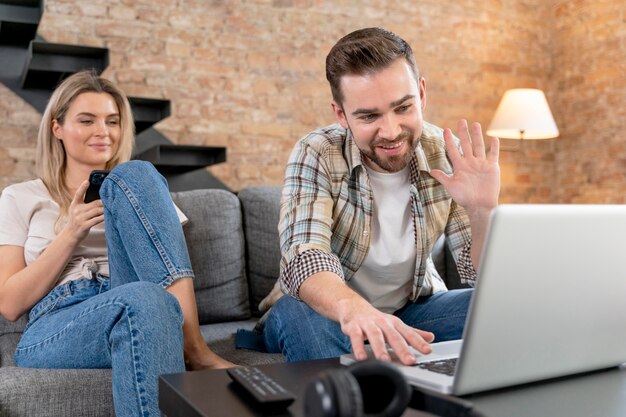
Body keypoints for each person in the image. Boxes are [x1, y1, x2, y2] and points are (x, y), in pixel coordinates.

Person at [0, 71, 233, 417]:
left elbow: (166, 267)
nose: (103, 132)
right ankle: (187, 345)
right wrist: (70, 234)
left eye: (112, 121)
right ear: (56, 128)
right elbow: (10, 303)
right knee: (143, 298)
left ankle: (193, 346)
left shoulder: (141, 192)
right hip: (57, 320)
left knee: (136, 176)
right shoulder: (21, 196)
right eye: (86, 120)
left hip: (134, 294)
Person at [263, 27, 500, 365]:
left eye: (403, 107)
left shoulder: (447, 155)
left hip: (412, 310)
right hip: (324, 311)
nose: (390, 131)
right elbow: (305, 258)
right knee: (301, 316)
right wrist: (355, 310)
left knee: (499, 307)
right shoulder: (316, 152)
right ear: (341, 114)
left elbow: (481, 277)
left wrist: (483, 212)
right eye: (369, 116)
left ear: (421, 93)